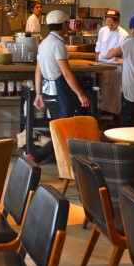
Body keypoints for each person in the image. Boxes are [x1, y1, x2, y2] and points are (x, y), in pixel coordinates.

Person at [31, 10, 91, 164]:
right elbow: (66, 72)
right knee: (65, 128)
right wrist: (80, 94)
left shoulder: (43, 43)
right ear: (64, 24)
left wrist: (38, 93)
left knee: (60, 127)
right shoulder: (58, 44)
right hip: (59, 92)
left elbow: (38, 71)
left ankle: (56, 158)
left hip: (48, 92)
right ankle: (39, 155)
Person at [95, 8, 129, 120]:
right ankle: (100, 116)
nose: (110, 24)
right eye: (108, 21)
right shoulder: (102, 31)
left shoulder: (123, 34)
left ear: (118, 21)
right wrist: (96, 59)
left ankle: (115, 118)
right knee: (101, 92)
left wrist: (111, 54)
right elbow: (98, 46)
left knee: (115, 94)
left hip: (115, 67)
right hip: (101, 65)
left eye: (113, 22)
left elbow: (120, 52)